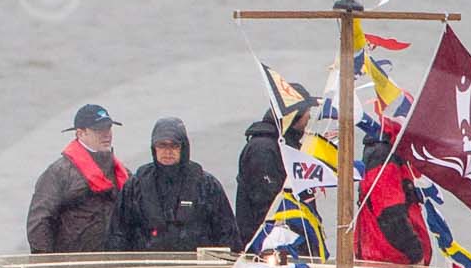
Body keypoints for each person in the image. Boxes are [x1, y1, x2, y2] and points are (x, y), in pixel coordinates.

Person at [108, 117, 240, 253]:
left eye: (174, 146)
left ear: (183, 147)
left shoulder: (206, 186)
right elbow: (118, 235)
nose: (168, 151)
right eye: (162, 145)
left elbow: (227, 234)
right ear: (154, 148)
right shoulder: (135, 186)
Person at [27, 103, 127, 253]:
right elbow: (39, 223)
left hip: (113, 266)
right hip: (72, 266)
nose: (106, 134)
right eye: (98, 129)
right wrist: (47, 266)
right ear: (80, 133)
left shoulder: (123, 173)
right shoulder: (58, 173)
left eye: (108, 128)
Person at [353, 119, 431, 267]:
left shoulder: (388, 153)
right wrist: (415, 254)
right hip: (390, 261)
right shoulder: (384, 155)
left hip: (386, 258)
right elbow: (390, 213)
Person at [234, 107, 309, 243]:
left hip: (288, 234)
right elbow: (265, 202)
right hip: (269, 240)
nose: (309, 117)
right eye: (306, 111)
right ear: (294, 116)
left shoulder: (287, 146)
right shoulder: (263, 149)